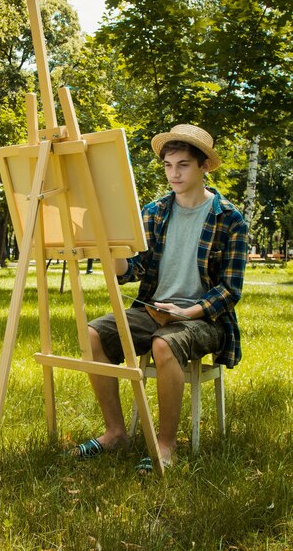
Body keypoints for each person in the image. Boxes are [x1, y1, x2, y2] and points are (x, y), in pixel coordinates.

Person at [70, 124, 249, 471]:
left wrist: (187, 312)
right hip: (153, 309)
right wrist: (112, 245)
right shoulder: (154, 212)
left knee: (163, 345)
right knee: (91, 333)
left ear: (204, 167)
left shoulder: (229, 219)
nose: (174, 174)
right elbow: (132, 269)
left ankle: (165, 445)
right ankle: (115, 433)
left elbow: (230, 290)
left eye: (183, 165)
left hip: (204, 319)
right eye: (168, 165)